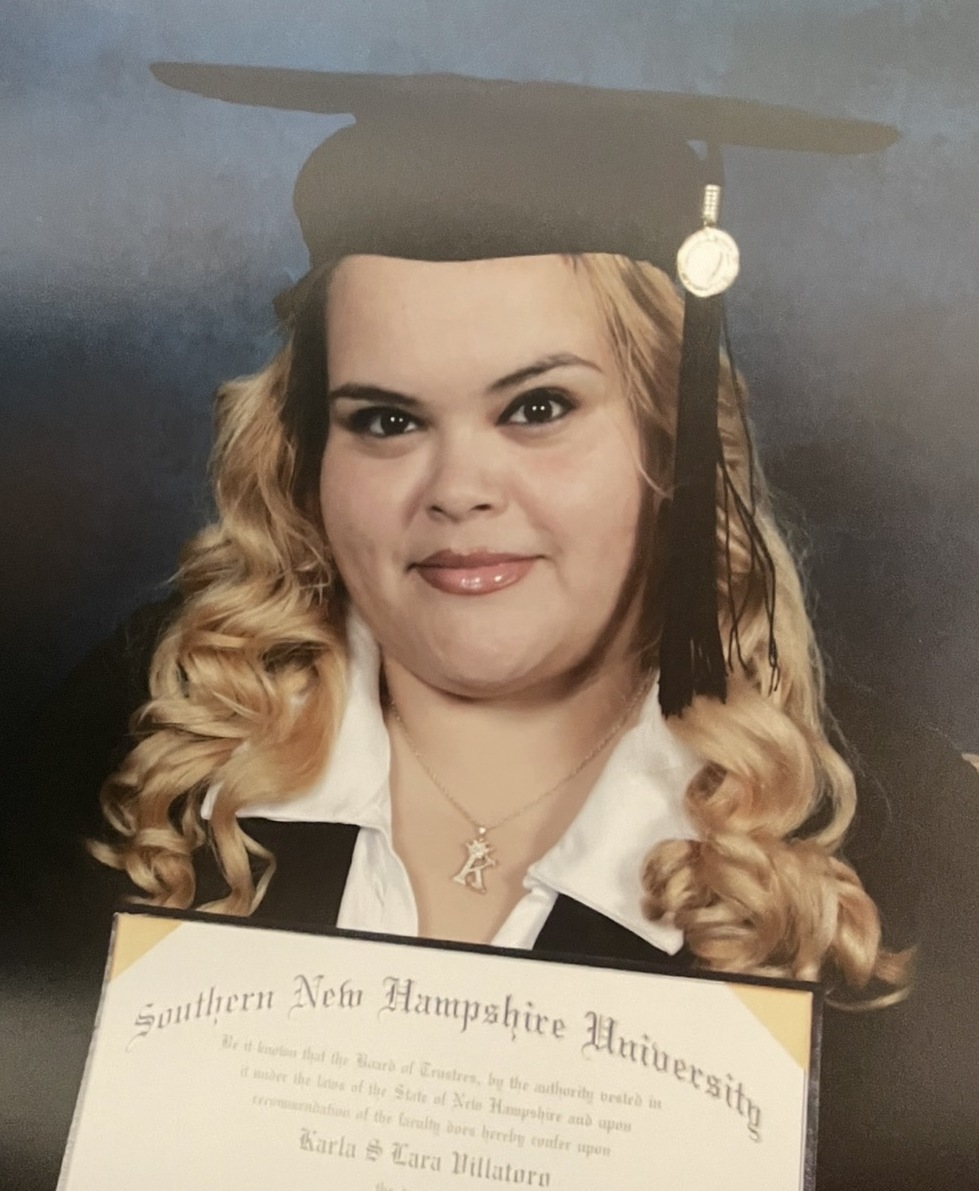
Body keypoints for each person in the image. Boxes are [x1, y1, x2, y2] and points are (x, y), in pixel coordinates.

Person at [3, 67, 978, 1191]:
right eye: (386, 420)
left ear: (670, 439)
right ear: (308, 456)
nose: (457, 488)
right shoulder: (141, 745)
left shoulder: (906, 845)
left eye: (537, 408)